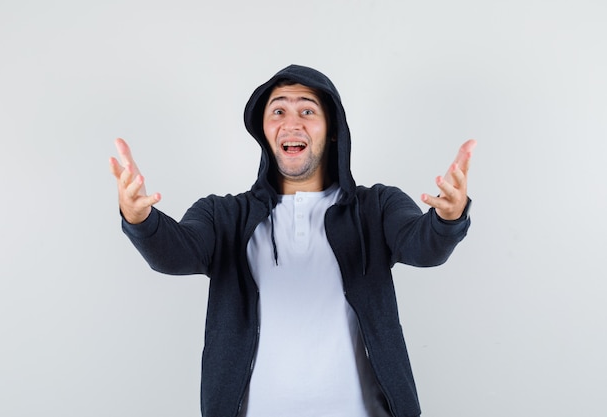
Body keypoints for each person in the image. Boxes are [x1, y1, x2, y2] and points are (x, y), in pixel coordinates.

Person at [110, 64, 476, 417]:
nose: (292, 122)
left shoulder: (376, 207)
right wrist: (141, 220)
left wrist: (447, 218)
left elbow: (423, 245)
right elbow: (175, 253)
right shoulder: (223, 215)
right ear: (264, 129)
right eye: (279, 110)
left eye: (307, 110)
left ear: (332, 129)